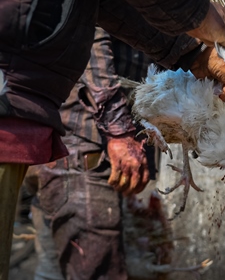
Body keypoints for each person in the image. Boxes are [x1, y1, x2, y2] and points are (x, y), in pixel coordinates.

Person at [0, 0, 225, 278]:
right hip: (82, 127)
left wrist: (191, 54)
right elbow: (94, 23)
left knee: (63, 258)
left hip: (49, 116)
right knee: (92, 261)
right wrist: (118, 127)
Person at [28, 26, 153, 280]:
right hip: (83, 148)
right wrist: (120, 132)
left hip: (76, 146)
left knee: (54, 271)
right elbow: (89, 29)